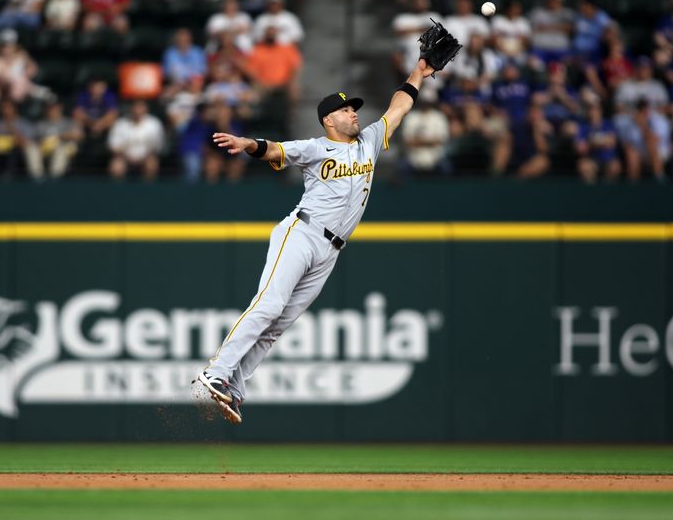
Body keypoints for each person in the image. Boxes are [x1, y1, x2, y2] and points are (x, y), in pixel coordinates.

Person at [195, 58, 437, 424]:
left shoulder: (369, 142)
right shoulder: (316, 148)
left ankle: (235, 385)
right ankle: (215, 372)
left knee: (279, 324)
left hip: (331, 250)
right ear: (328, 120)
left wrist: (418, 73)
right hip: (302, 233)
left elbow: (399, 107)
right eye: (345, 110)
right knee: (269, 304)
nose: (353, 114)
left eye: (353, 109)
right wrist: (247, 144)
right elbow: (275, 150)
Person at [107, 100, 165, 180]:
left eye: (141, 107)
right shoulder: (120, 123)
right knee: (116, 166)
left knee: (151, 164)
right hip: (125, 158)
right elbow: (114, 145)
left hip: (146, 158)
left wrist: (144, 157)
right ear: (131, 109)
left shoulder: (154, 123)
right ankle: (117, 191)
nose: (138, 110)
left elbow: (157, 146)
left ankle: (148, 190)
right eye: (135, 107)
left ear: (146, 109)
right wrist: (126, 157)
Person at [29, 100, 84, 179]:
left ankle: (55, 178)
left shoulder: (69, 122)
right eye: (51, 109)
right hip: (45, 148)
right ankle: (37, 178)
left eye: (55, 109)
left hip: (64, 147)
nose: (53, 111)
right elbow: (33, 139)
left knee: (61, 149)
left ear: (60, 109)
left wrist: (65, 136)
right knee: (31, 148)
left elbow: (80, 135)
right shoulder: (41, 124)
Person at [528, 0, 573, 65]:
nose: (552, 2)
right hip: (540, 49)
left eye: (555, 0)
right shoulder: (536, 13)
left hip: (561, 49)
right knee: (533, 64)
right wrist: (560, 27)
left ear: (561, 0)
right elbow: (532, 30)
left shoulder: (568, 13)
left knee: (568, 63)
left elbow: (571, 29)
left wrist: (547, 27)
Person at [162, 28, 207, 99]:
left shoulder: (198, 52)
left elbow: (202, 73)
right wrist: (180, 84)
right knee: (166, 96)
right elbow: (168, 74)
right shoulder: (170, 53)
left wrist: (190, 84)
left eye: (185, 40)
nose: (183, 43)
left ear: (190, 40)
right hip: (176, 85)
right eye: (180, 41)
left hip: (195, 85)